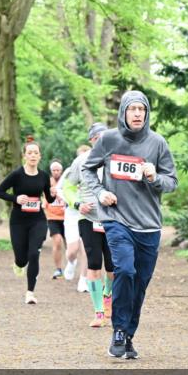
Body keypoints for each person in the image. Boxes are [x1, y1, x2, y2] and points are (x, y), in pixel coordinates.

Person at [81, 91, 177, 359]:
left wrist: (154, 176)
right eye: (132, 109)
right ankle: (119, 331)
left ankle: (129, 335)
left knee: (140, 283)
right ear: (123, 112)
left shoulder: (157, 143)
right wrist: (100, 193)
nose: (137, 114)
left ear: (146, 113)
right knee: (124, 270)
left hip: (148, 225)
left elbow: (172, 181)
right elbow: (87, 169)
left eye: (141, 109)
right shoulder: (109, 139)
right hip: (116, 219)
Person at [63, 124, 115, 328]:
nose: (104, 141)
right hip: (89, 219)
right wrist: (78, 204)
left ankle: (108, 295)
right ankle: (99, 312)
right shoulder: (81, 161)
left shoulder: (115, 159)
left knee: (113, 269)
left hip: (113, 220)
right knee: (94, 265)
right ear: (92, 140)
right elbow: (67, 187)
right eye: (99, 138)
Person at [0, 137, 54, 305]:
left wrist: (53, 193)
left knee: (34, 253)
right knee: (22, 259)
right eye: (30, 153)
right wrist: (15, 198)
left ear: (40, 156)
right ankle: (18, 263)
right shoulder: (17, 174)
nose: (33, 155)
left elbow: (48, 198)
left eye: (36, 153)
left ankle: (30, 292)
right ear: (24, 156)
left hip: (38, 220)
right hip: (18, 221)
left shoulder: (43, 176)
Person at [58, 146, 91, 291]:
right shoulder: (69, 171)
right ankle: (71, 262)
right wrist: (68, 200)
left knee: (87, 248)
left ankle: (83, 279)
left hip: (89, 214)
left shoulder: (94, 170)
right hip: (72, 213)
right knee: (73, 249)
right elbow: (60, 189)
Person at [45, 160, 67, 279]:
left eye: (58, 170)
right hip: (52, 217)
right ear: (51, 171)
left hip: (66, 217)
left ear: (61, 171)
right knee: (57, 241)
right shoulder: (47, 182)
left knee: (70, 245)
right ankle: (58, 269)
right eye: (54, 170)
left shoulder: (66, 181)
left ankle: (70, 266)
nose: (56, 172)